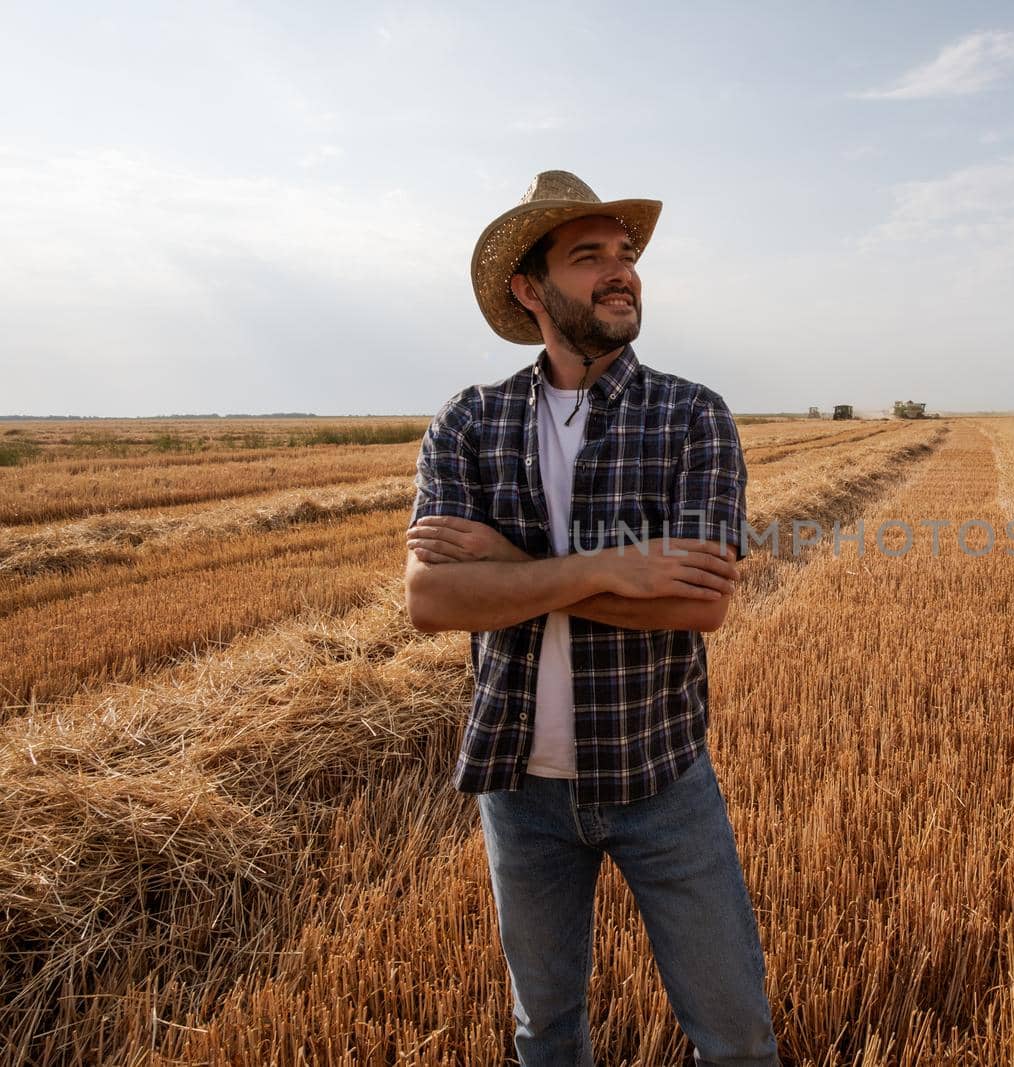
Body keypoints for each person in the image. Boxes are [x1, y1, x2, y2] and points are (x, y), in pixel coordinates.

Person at [403, 170, 779, 1066]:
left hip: (661, 779)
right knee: (547, 1036)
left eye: (625, 255)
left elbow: (701, 602)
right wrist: (615, 567)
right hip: (518, 790)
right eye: (589, 258)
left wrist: (510, 566)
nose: (621, 274)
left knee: (736, 1040)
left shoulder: (692, 416)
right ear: (529, 290)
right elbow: (431, 600)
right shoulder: (471, 420)